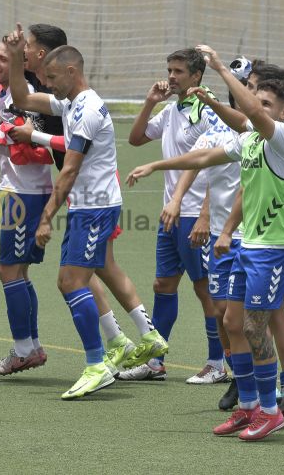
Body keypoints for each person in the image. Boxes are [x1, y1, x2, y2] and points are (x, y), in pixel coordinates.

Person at [127, 45, 284, 441]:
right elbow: (204, 158)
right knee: (231, 321)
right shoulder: (252, 142)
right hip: (250, 243)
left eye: (265, 101)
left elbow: (252, 116)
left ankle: (271, 409)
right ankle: (247, 407)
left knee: (257, 325)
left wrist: (220, 68)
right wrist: (156, 165)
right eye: (255, 98)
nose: (256, 107)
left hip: (275, 245)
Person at [5, 24, 167, 398]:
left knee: (71, 281)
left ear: (71, 73)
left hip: (95, 207)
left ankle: (98, 362)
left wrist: (45, 217)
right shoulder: (71, 102)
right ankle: (138, 338)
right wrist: (16, 57)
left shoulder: (88, 110)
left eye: (52, 78)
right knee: (88, 274)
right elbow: (22, 98)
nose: (48, 85)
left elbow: (71, 167)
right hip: (87, 207)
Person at [118, 49, 225, 383]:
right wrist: (150, 102)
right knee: (163, 283)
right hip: (171, 213)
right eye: (169, 69)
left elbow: (221, 164)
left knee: (205, 289)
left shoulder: (210, 109)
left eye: (179, 71)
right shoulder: (170, 109)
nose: (172, 76)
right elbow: (135, 139)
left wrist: (206, 215)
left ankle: (217, 363)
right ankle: (155, 362)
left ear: (197, 76)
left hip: (196, 215)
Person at [0, 40, 53, 374]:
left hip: (24, 194)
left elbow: (26, 144)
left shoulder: (25, 93)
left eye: (3, 58)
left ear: (20, 62)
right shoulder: (2, 92)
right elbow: (0, 138)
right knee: (19, 271)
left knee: (8, 271)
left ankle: (22, 350)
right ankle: (31, 346)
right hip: (19, 190)